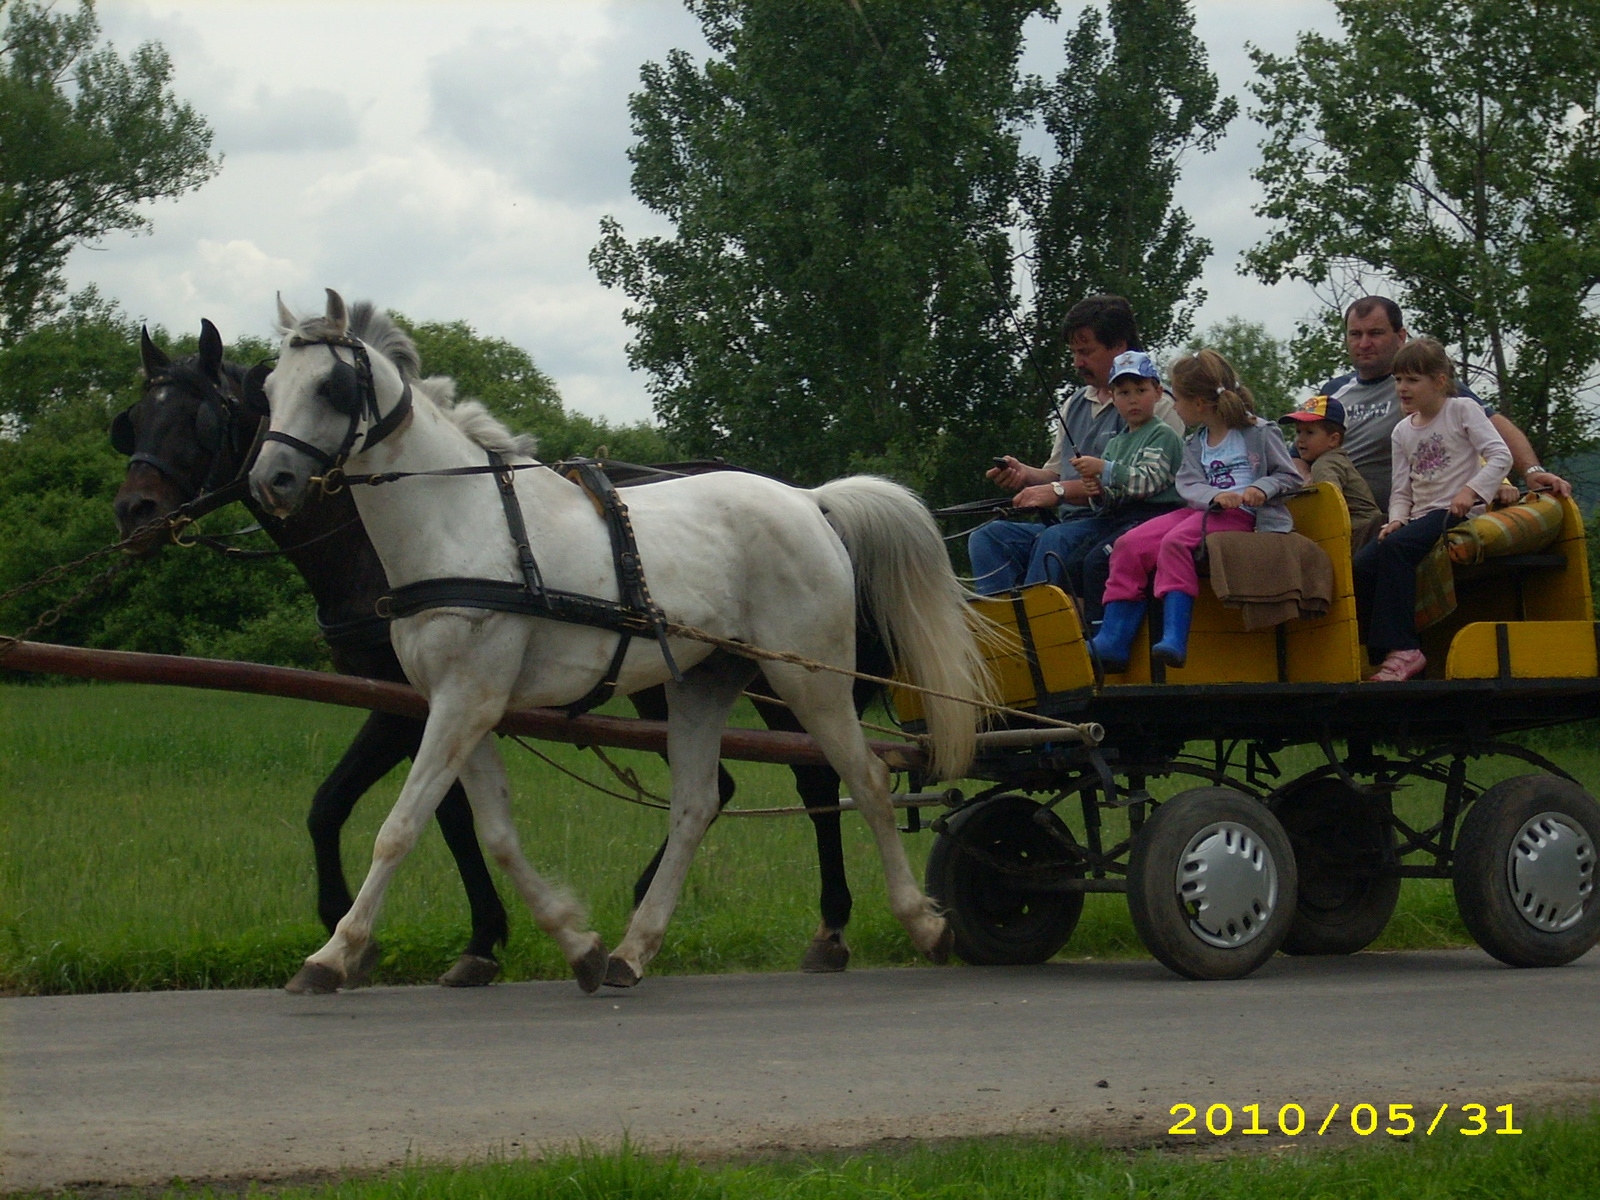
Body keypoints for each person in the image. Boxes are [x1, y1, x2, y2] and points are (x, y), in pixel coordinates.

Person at [1089, 349, 1301, 671]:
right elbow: (1188, 484)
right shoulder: (1194, 442)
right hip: (1205, 510)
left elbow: (1288, 475)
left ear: (1199, 403)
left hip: (1244, 517)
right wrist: (1215, 495)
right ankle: (1114, 640)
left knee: (1175, 542)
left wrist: (1259, 489)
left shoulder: (1257, 431)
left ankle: (1175, 636)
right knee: (1129, 544)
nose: (1173, 405)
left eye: (1178, 398)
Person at [969, 295, 1184, 595]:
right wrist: (1023, 475)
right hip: (1072, 525)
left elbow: (1148, 482)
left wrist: (1057, 493)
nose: (1077, 363)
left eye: (1085, 351)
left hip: (1120, 524)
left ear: (1119, 347)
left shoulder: (1159, 407)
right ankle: (1003, 628)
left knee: (1054, 541)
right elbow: (1056, 475)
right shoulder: (1074, 403)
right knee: (988, 538)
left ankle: (1040, 633)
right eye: (1073, 353)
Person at [1353, 337, 1511, 682]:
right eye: (1397, 380)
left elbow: (1501, 456)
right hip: (1421, 517)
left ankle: (1405, 649)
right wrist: (1396, 520)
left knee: (1396, 551)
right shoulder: (1401, 431)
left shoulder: (1461, 410)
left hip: (1457, 511)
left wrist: (1471, 492)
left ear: (1439, 380)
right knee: (1363, 564)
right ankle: (1378, 653)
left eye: (1412, 380)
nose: (1402, 388)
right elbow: (1401, 489)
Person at [1319, 297, 1568, 508]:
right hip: (1340, 513)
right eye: (1355, 334)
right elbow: (1300, 452)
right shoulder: (1332, 393)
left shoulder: (1428, 385)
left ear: (1400, 337)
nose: (1364, 343)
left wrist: (1532, 472)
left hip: (1413, 510)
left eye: (1375, 333)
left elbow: (1492, 424)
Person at [1067, 350, 1185, 623]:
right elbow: (1112, 498)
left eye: (1140, 390)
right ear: (1114, 397)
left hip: (1156, 517)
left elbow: (1148, 481)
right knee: (1072, 563)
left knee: (1098, 563)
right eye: (1123, 393)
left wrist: (1104, 469)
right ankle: (1077, 630)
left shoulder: (1162, 434)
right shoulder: (1116, 443)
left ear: (1157, 392)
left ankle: (1101, 635)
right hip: (1122, 518)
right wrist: (1097, 490)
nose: (1133, 399)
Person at [1278, 394, 1383, 550]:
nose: (1300, 439)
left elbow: (1329, 504)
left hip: (1359, 530)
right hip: (1364, 526)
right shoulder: (1336, 459)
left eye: (1309, 432)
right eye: (1298, 432)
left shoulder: (1324, 464)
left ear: (1333, 439)